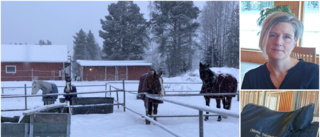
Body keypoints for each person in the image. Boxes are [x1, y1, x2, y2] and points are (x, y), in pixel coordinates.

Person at [242, 12, 319, 89]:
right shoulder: (251, 77)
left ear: (294, 42)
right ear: (263, 39)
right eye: (272, 35)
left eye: (286, 37)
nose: (278, 42)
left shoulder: (314, 73)